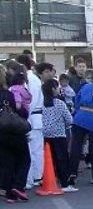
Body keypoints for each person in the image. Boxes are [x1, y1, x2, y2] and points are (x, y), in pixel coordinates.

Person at [17, 57, 55, 189]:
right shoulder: (32, 79)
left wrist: (24, 117)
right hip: (35, 118)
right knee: (35, 149)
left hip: (33, 117)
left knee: (34, 150)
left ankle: (35, 176)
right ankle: (36, 175)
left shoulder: (31, 79)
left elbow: (30, 102)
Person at [68, 69, 93, 187]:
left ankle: (71, 175)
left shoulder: (85, 86)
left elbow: (77, 100)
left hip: (80, 116)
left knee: (76, 147)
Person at [0, 65, 31, 203]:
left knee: (7, 162)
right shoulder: (8, 94)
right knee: (25, 159)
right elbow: (22, 112)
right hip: (14, 131)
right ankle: (18, 186)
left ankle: (9, 193)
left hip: (1, 133)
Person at [41, 78, 75, 192]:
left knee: (51, 159)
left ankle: (50, 179)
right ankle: (65, 183)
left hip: (45, 134)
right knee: (62, 159)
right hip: (59, 134)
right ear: (53, 89)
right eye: (57, 87)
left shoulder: (42, 103)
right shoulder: (59, 103)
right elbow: (69, 119)